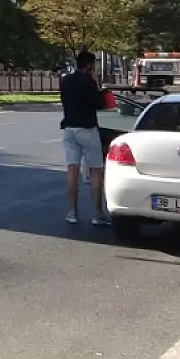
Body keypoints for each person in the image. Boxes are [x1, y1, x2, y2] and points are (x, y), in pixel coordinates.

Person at [60, 49, 111, 227]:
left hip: (69, 128)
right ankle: (98, 214)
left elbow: (64, 101)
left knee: (72, 170)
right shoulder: (89, 82)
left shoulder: (65, 81)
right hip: (87, 129)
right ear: (90, 65)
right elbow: (100, 104)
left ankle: (72, 212)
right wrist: (96, 84)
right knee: (96, 170)